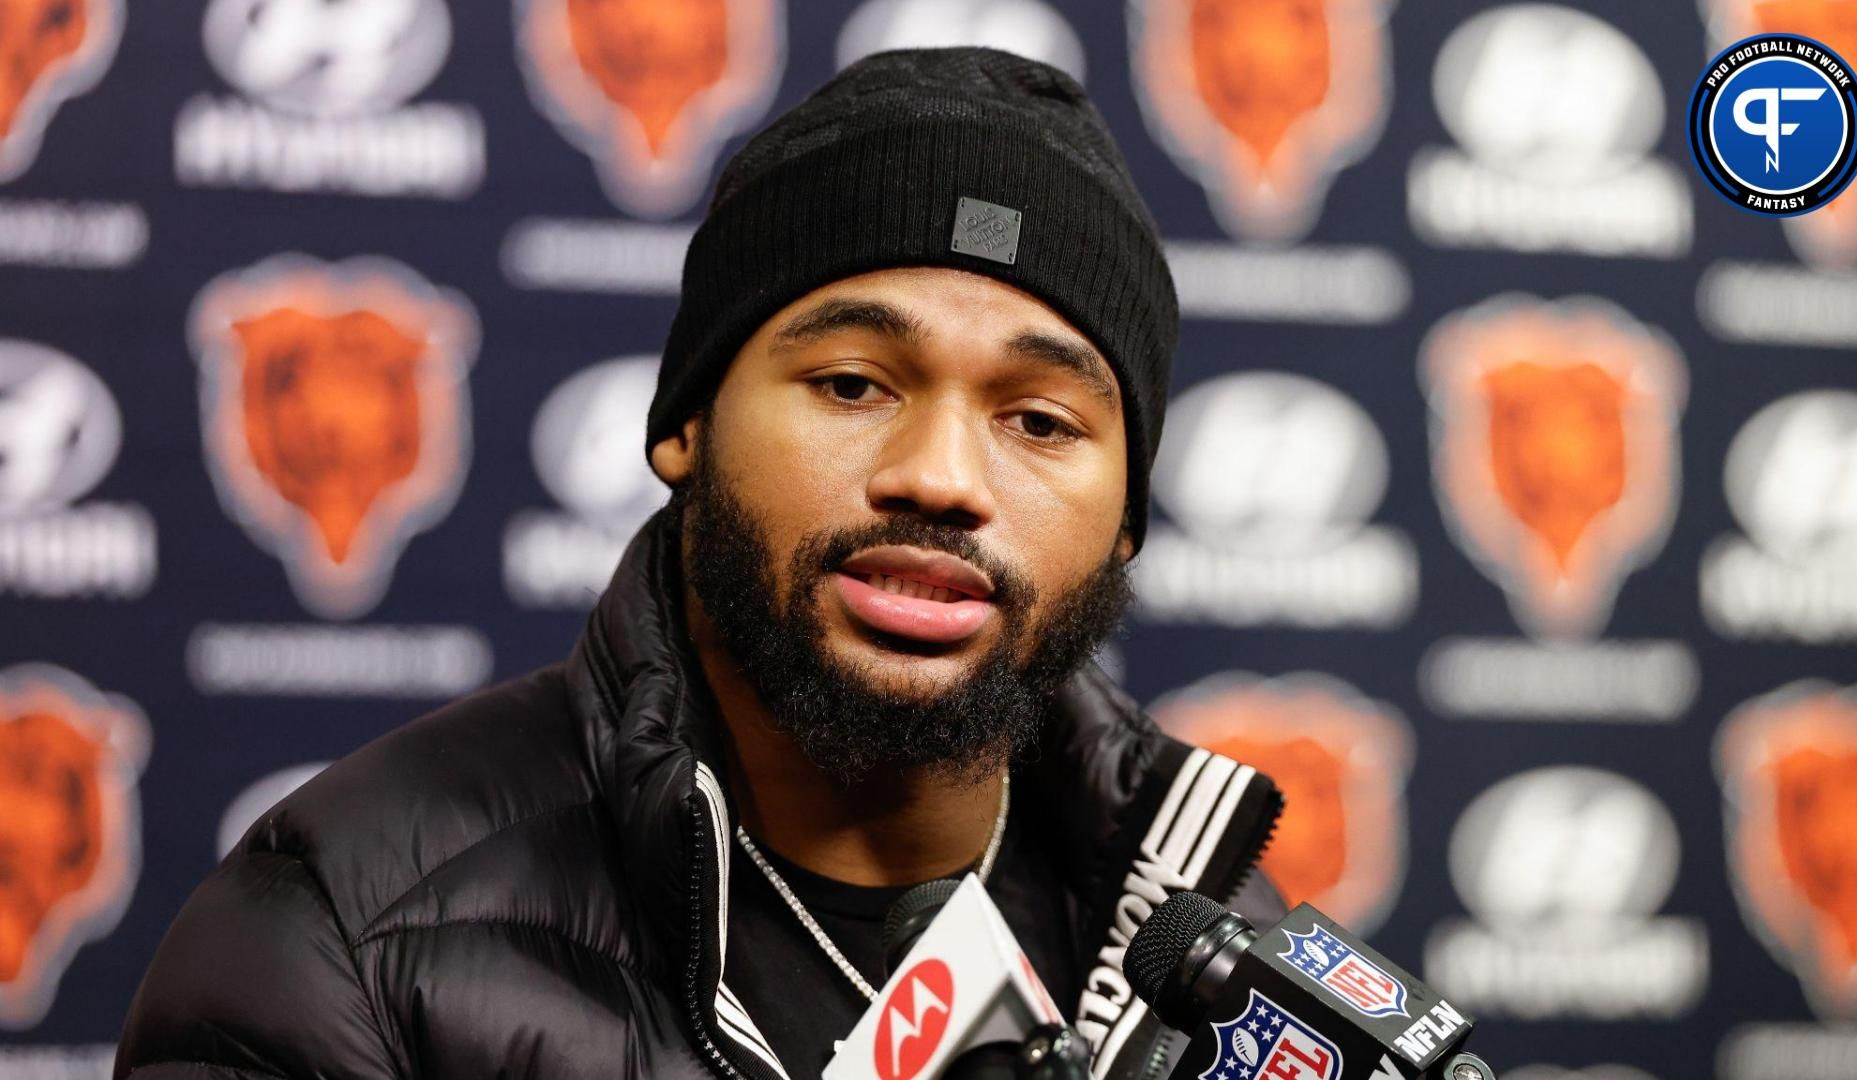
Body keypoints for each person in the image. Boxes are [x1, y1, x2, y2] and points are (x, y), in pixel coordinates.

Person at [115, 47, 1285, 1080]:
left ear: (1126, 519)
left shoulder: (1216, 950)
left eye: (1039, 420)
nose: (941, 477)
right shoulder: (345, 945)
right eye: (852, 384)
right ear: (686, 424)